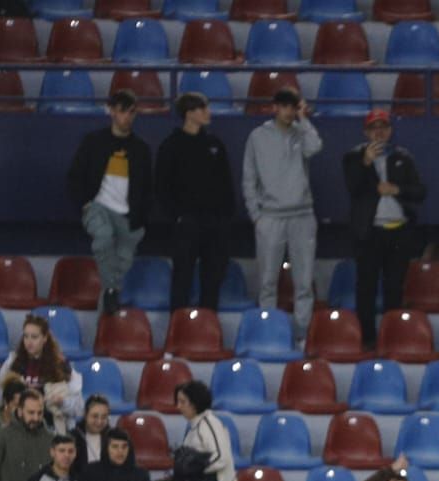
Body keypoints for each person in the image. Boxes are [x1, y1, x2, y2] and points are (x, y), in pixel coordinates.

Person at [343, 111, 426, 350]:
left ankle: (393, 339)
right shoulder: (353, 157)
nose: (379, 132)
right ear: (366, 132)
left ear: (390, 130)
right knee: (366, 287)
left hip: (399, 231)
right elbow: (353, 188)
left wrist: (396, 190)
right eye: (374, 128)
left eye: (383, 127)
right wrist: (366, 162)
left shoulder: (402, 157)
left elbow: (420, 191)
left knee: (394, 288)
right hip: (369, 233)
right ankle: (366, 340)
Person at [244, 89, 323, 340]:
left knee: (303, 282)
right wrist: (256, 215)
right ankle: (269, 333)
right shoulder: (258, 136)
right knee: (267, 282)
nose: (290, 112)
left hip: (302, 216)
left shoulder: (302, 132)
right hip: (270, 217)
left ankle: (302, 336)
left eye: (294, 107)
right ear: (275, 107)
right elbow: (249, 178)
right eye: (286, 107)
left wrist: (304, 120)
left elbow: (315, 148)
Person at [68, 91, 152, 314]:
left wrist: (141, 218)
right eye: (123, 111)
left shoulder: (141, 149)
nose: (128, 117)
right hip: (98, 207)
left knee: (120, 266)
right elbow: (75, 176)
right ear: (112, 111)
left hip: (128, 216)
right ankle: (112, 294)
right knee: (103, 237)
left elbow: (146, 187)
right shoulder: (93, 142)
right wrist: (85, 203)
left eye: (132, 112)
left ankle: (109, 297)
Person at [157, 92, 235, 313]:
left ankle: (207, 330)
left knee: (213, 279)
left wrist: (225, 216)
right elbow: (162, 186)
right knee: (182, 277)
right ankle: (178, 332)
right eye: (202, 109)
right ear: (189, 114)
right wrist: (177, 217)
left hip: (215, 223)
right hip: (187, 224)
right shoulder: (171, 146)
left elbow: (226, 182)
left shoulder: (215, 144)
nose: (208, 113)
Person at [0, 315, 82, 438]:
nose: (29, 342)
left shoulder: (61, 366)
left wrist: (62, 402)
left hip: (51, 429)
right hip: (17, 428)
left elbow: (78, 408)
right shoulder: (11, 362)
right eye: (26, 336)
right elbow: (0, 399)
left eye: (34, 337)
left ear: (45, 338)